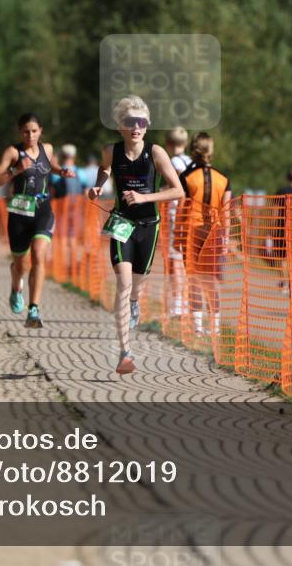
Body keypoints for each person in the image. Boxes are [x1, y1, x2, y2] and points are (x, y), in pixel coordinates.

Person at [88, 95, 184, 375]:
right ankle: (125, 352)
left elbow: (178, 190)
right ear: (120, 126)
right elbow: (104, 168)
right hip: (121, 224)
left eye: (141, 122)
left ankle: (134, 304)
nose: (136, 127)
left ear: (147, 125)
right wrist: (98, 185)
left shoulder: (155, 153)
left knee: (137, 286)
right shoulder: (111, 151)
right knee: (124, 283)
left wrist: (144, 198)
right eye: (130, 122)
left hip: (148, 226)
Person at [0, 112, 75, 328]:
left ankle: (34, 309)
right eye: (26, 132)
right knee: (21, 265)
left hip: (43, 209)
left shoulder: (48, 149)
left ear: (41, 131)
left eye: (34, 131)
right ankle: (16, 286)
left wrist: (62, 171)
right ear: (20, 132)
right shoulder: (13, 152)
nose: (30, 136)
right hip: (19, 212)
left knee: (38, 254)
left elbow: (51, 166)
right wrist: (16, 170)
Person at [176, 133, 231, 338]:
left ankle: (197, 327)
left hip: (193, 231)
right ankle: (215, 327)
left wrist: (176, 235)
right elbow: (226, 212)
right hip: (214, 232)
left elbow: (182, 209)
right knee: (210, 280)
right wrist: (226, 238)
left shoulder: (187, 177)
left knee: (193, 279)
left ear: (193, 150)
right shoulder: (223, 179)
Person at [165, 127, 192, 317]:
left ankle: (177, 303)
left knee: (175, 259)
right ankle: (187, 300)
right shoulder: (191, 161)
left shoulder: (174, 162)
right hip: (191, 212)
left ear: (168, 143)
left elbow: (176, 188)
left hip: (177, 212)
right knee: (186, 258)